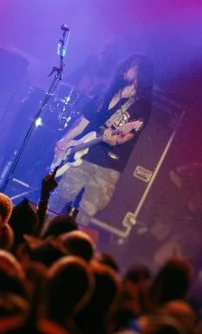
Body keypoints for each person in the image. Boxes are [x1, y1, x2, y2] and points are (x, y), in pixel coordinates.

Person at [50, 56, 149, 221]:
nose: (126, 68)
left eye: (132, 66)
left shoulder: (142, 105)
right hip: (84, 153)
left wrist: (113, 140)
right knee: (59, 198)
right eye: (126, 64)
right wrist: (64, 140)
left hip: (108, 166)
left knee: (85, 214)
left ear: (141, 73)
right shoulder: (108, 92)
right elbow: (82, 122)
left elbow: (128, 134)